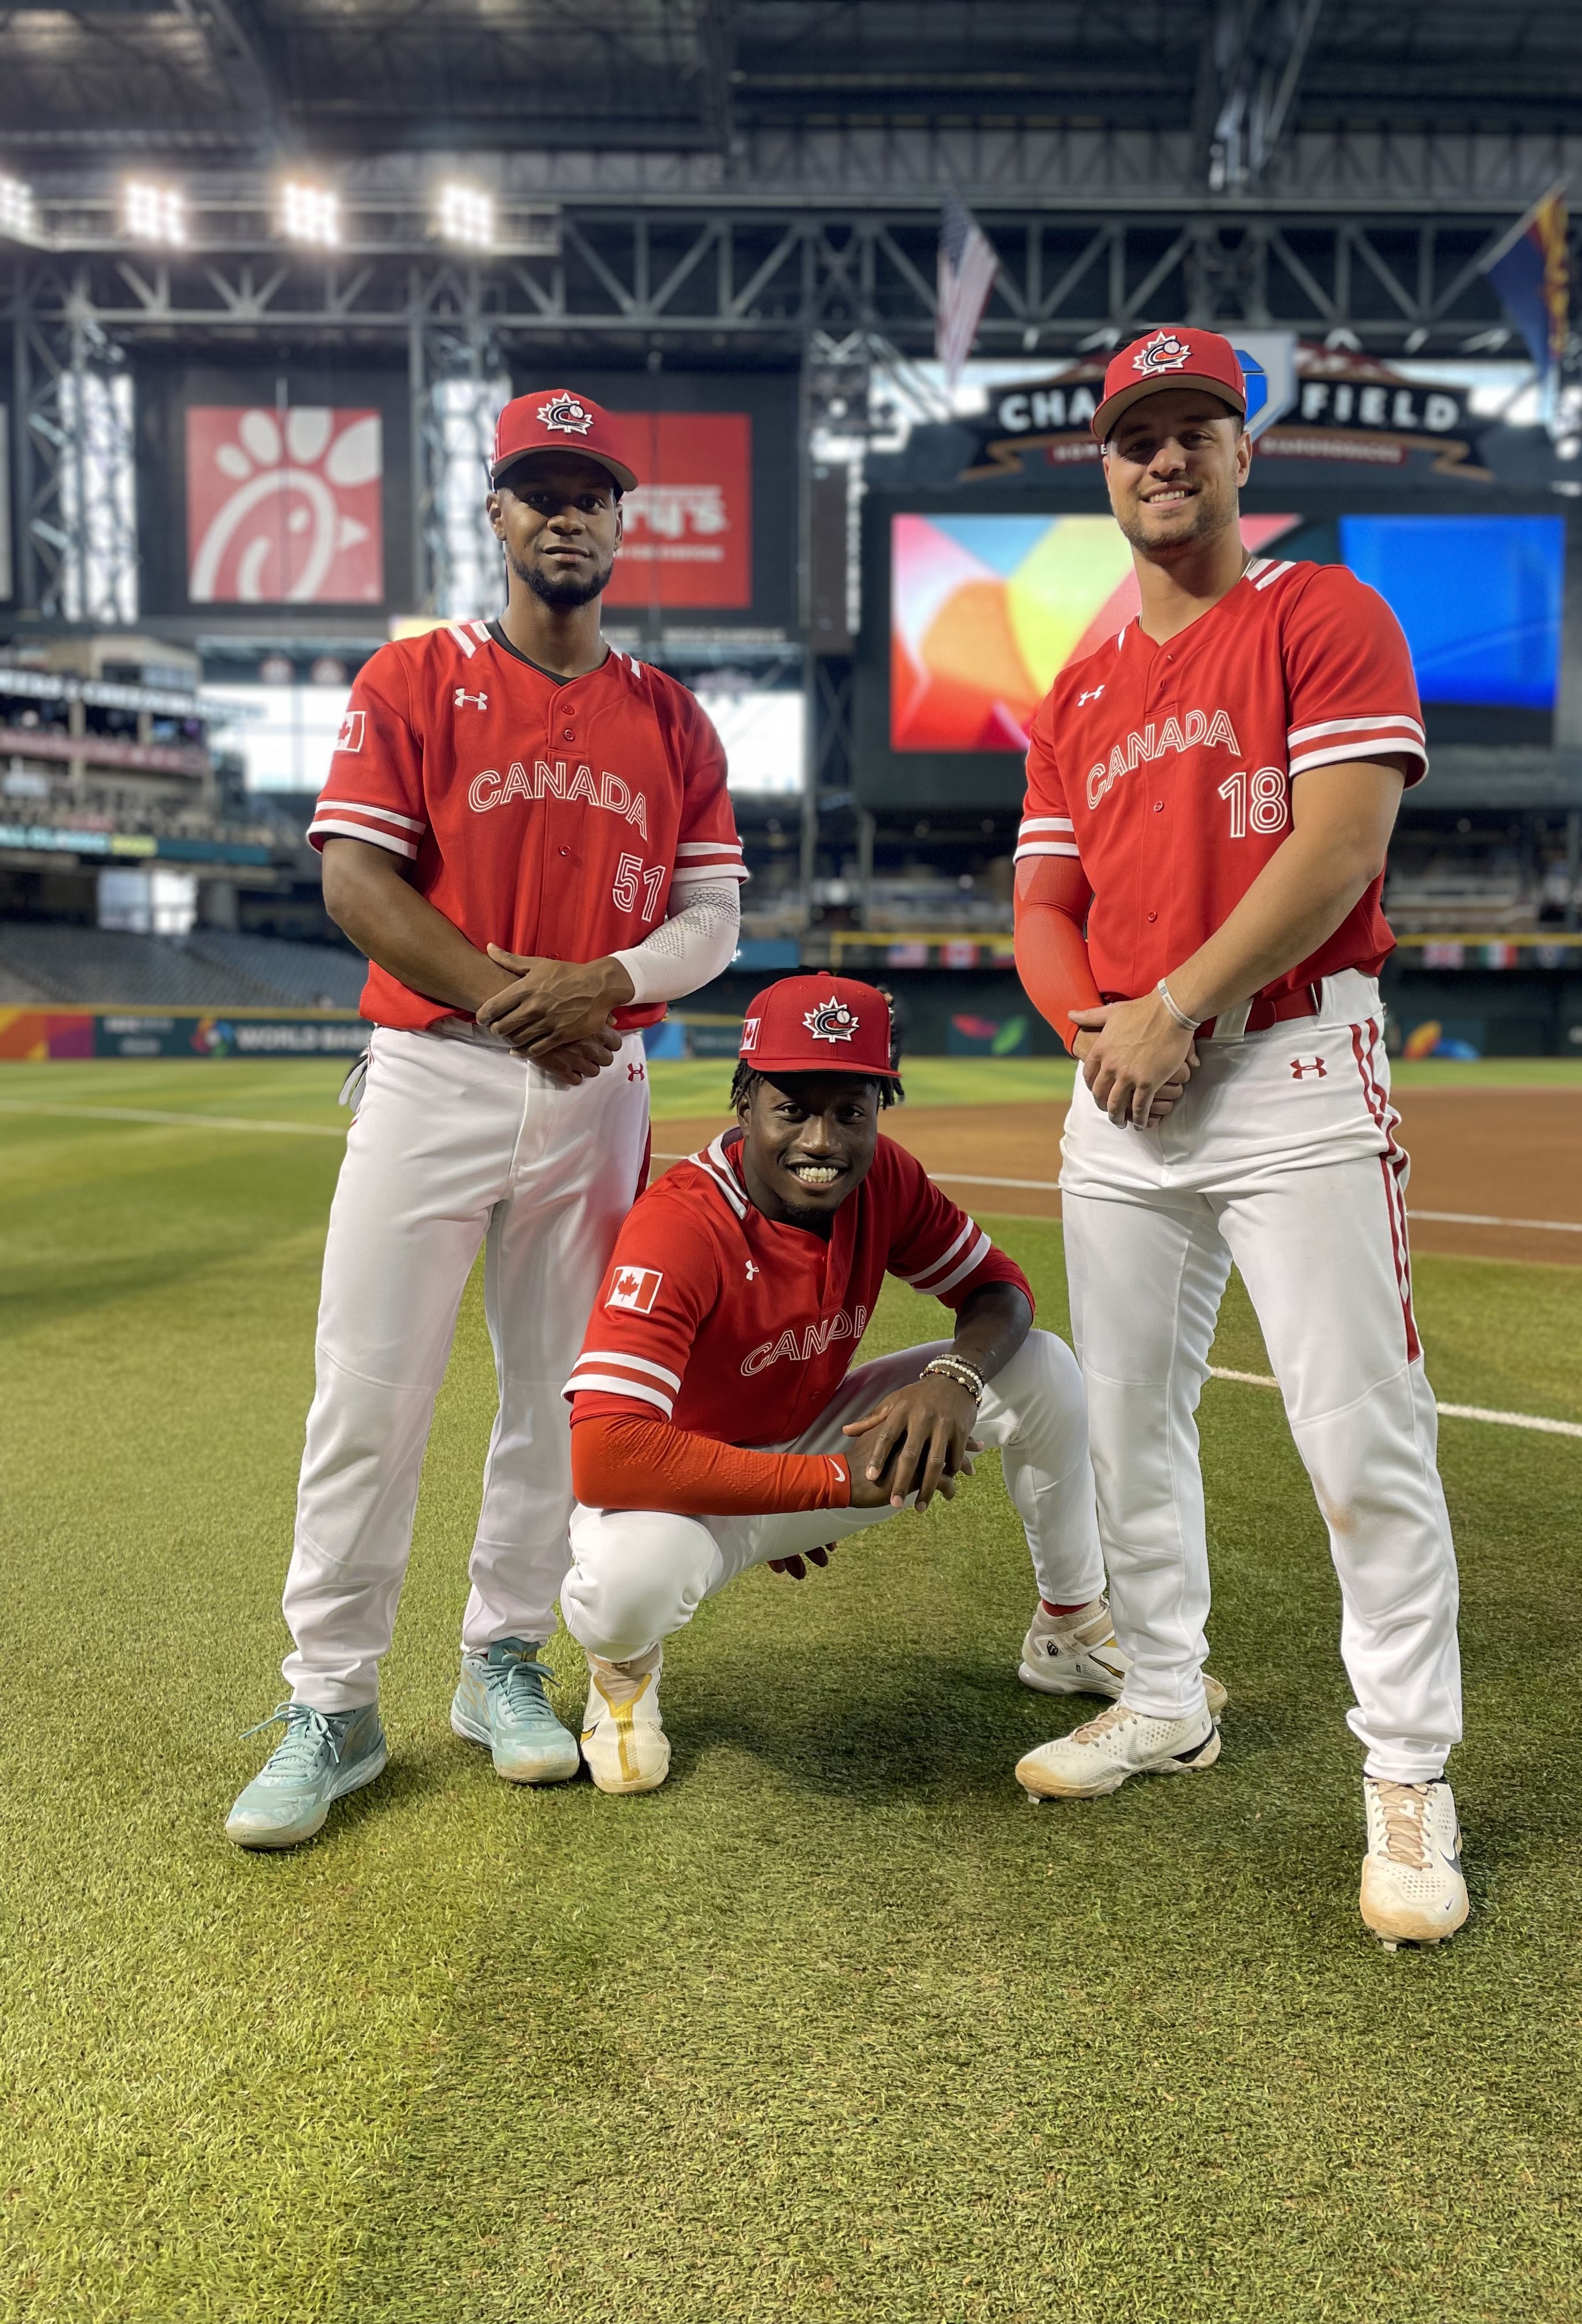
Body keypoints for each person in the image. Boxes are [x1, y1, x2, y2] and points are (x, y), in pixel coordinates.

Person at [226, 388, 747, 1850]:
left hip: (599, 1091)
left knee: (559, 1403)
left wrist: (611, 984)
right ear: (499, 513)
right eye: (540, 488)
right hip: (436, 1075)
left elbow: (712, 917)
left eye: (591, 490)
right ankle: (331, 1699)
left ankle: (499, 1663)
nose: (566, 511)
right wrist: (523, 999)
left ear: (621, 523)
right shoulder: (411, 677)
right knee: (368, 1393)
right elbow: (356, 884)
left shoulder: (672, 715)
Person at [1010, 326, 1467, 1949]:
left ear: (1241, 451)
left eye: (1196, 427)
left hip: (1285, 1068)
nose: (1165, 458)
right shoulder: (1076, 683)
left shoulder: (1322, 615)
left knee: (1360, 1438)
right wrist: (1100, 1030)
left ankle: (1407, 1775)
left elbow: (1341, 849)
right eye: (1137, 435)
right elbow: (1043, 905)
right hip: (1122, 1089)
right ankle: (1162, 1695)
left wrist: (1180, 1003)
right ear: (1106, 464)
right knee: (1130, 1426)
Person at [556, 974, 1199, 1794]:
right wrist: (822, 1483)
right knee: (623, 1586)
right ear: (744, 1103)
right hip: (689, 1484)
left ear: (877, 1111)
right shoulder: (681, 1225)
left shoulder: (885, 1179)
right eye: (793, 1108)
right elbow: (606, 1457)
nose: (823, 1140)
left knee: (1041, 1365)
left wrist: (954, 1377)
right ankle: (624, 1670)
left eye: (851, 1112)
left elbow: (1000, 1290)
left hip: (817, 1438)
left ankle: (1070, 1624)